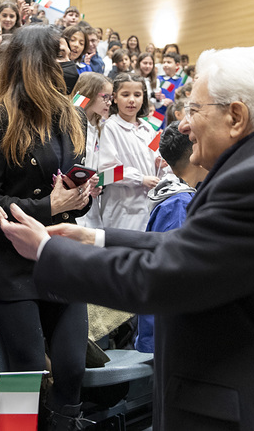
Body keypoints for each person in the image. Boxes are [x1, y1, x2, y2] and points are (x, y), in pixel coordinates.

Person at [2, 45, 254, 431]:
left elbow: (170, 276)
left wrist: (47, 251)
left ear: (235, 116)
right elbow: (196, 252)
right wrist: (93, 239)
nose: (183, 126)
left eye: (194, 110)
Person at [0, 25, 94, 429]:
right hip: (15, 260)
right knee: (25, 372)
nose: (70, 65)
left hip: (62, 253)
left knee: (73, 368)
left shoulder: (75, 114)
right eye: (59, 56)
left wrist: (83, 194)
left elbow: (73, 187)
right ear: (36, 63)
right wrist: (48, 205)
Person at [136, 121, 208, 353]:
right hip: (170, 334)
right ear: (195, 152)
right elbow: (174, 277)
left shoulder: (181, 195)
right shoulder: (179, 204)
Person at [98, 72, 160, 230]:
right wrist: (140, 178)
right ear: (115, 98)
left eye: (137, 95)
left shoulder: (149, 129)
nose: (132, 100)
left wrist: (161, 164)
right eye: (125, 94)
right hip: (122, 212)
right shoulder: (109, 128)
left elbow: (156, 156)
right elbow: (106, 173)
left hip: (149, 206)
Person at [71, 72, 114, 229]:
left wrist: (99, 182)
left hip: (91, 202)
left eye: (111, 98)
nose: (109, 103)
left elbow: (116, 171)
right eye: (105, 97)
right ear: (88, 93)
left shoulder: (98, 126)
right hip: (72, 198)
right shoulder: (72, 123)